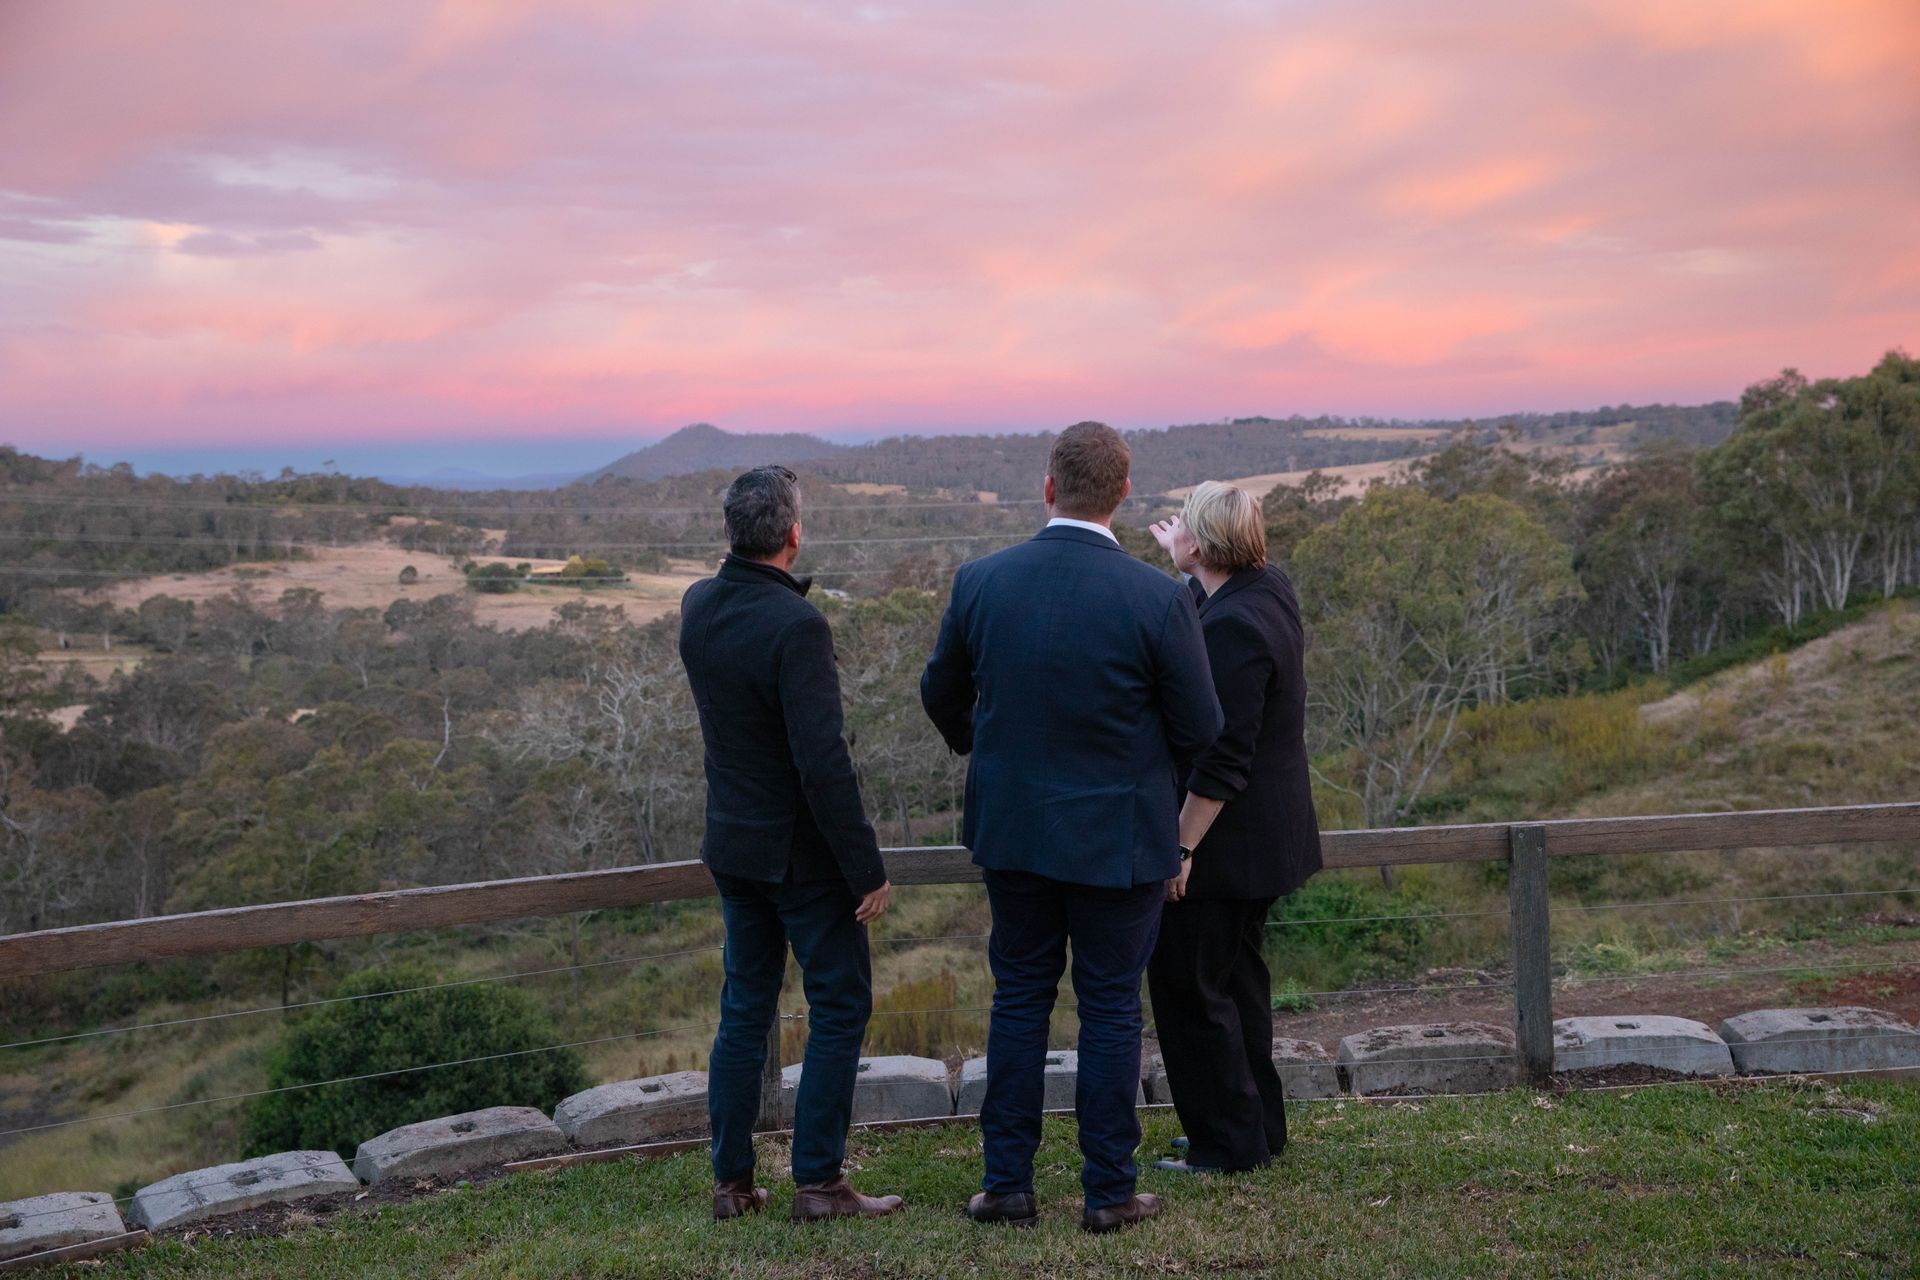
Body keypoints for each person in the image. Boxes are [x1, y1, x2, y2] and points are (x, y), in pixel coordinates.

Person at [921, 422, 1223, 1233]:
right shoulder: (1158, 598)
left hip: (1014, 830)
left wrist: (985, 749)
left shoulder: (982, 581)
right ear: (1123, 494)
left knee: (1018, 999)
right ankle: (1108, 1192)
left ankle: (1008, 1185)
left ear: (1048, 487)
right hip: (1120, 839)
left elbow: (938, 692)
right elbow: (1202, 727)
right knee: (1112, 1010)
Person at [679, 465, 904, 1224]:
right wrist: (863, 864)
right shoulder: (797, 626)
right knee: (840, 1004)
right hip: (803, 860)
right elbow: (822, 760)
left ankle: (732, 1183)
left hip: (733, 848)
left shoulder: (697, 607)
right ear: (794, 534)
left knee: (745, 1009)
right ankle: (819, 1182)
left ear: (729, 532)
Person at [1144, 481, 1323, 1175]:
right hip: (1266, 841)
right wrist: (1182, 567)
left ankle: (1225, 1145)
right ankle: (1256, 1128)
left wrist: (1180, 846)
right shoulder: (1265, 589)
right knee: (1237, 981)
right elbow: (1204, 611)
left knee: (1192, 991)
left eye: (1183, 526)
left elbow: (1221, 760)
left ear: (1207, 542)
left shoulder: (1233, 629)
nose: (1173, 531)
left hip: (1227, 846)